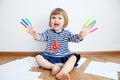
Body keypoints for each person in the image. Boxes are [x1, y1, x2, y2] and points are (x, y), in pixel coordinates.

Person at [27, 8, 89, 80]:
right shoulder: (48, 32)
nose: (56, 20)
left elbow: (74, 38)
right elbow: (41, 37)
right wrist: (35, 35)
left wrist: (80, 36)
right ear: (50, 22)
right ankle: (53, 67)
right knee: (38, 57)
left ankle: (63, 72)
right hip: (49, 56)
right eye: (53, 18)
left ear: (64, 22)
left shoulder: (66, 33)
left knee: (74, 57)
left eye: (59, 18)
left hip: (64, 56)